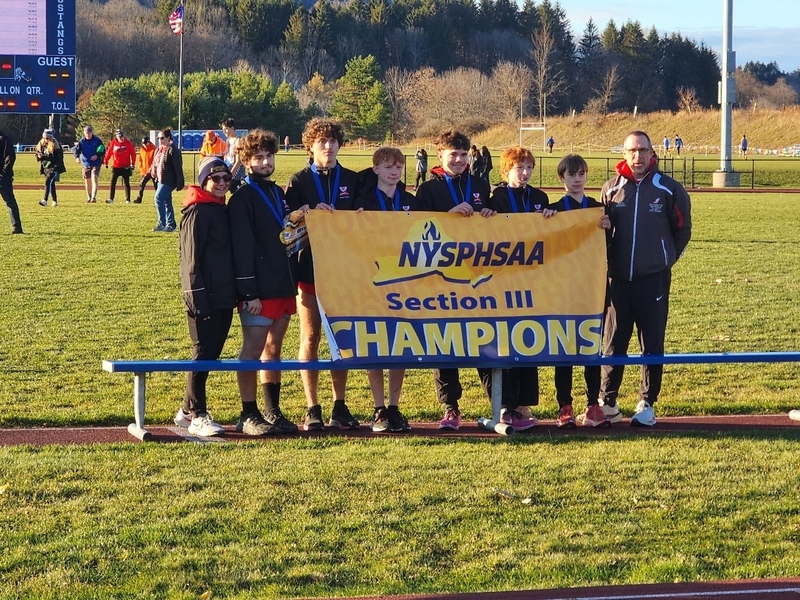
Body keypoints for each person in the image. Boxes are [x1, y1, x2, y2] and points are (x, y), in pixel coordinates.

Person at [598, 131, 692, 427]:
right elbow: (602, 233)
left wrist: (666, 259)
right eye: (632, 151)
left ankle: (647, 402)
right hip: (618, 279)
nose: (638, 156)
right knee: (613, 341)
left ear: (653, 153)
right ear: (623, 154)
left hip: (653, 280)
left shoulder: (668, 188)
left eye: (643, 150)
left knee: (651, 342)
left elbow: (682, 228)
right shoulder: (611, 188)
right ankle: (607, 401)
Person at [285, 118, 361, 431]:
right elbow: (287, 224)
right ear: (310, 147)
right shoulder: (299, 179)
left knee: (339, 339)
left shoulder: (354, 180)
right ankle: (311, 406)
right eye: (321, 143)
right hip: (310, 270)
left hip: (344, 272)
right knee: (311, 335)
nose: (328, 147)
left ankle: (339, 405)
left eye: (332, 142)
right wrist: (303, 212)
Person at [415, 129, 494, 429]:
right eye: (453, 155)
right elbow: (416, 231)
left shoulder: (479, 184)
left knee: (484, 338)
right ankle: (450, 407)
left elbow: (498, 225)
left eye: (463, 155)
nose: (459, 160)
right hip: (441, 277)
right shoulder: (428, 190)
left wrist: (489, 211)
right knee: (444, 342)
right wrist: (448, 215)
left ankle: (497, 403)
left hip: (478, 277)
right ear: (439, 156)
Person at [227, 129, 300, 436]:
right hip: (258, 289)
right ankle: (248, 413)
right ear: (246, 161)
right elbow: (241, 248)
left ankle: (272, 411)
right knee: (252, 350)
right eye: (258, 158)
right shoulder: (242, 197)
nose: (265, 162)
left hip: (283, 283)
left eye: (269, 156)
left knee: (274, 349)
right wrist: (248, 291)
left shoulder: (277, 193)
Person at [542, 153, 612, 428]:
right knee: (565, 349)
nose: (577, 179)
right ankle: (564, 406)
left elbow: (609, 246)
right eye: (572, 175)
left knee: (590, 346)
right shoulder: (554, 208)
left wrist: (608, 227)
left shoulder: (597, 208)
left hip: (592, 287)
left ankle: (592, 403)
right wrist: (545, 220)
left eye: (581, 174)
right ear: (562, 178)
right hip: (563, 288)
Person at [354, 146, 420, 433]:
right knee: (377, 342)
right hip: (372, 280)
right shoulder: (363, 200)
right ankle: (378, 407)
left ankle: (394, 407)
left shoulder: (409, 200)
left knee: (400, 344)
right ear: (376, 169)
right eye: (388, 166)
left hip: (404, 280)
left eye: (399, 167)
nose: (394, 172)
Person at [486, 145, 549, 431]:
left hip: (532, 282)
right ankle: (505, 404)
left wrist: (551, 217)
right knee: (504, 342)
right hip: (502, 282)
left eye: (528, 168)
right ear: (506, 170)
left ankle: (523, 404)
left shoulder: (539, 197)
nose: (524, 173)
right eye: (518, 168)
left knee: (528, 339)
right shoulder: (497, 198)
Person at [173, 157, 236, 437]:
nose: (222, 184)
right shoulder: (198, 211)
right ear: (204, 181)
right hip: (204, 296)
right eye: (215, 179)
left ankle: (186, 411)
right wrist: (197, 301)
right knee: (202, 353)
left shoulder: (220, 209)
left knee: (211, 354)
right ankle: (198, 414)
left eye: (226, 179)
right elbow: (190, 261)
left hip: (224, 294)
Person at [151, 127, 184, 232]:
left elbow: (178, 167)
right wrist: (152, 172)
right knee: (166, 201)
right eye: (158, 138)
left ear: (169, 138)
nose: (159, 140)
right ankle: (171, 225)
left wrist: (180, 181)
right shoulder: (159, 149)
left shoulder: (173, 150)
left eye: (162, 138)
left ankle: (162, 224)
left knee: (158, 198)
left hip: (169, 180)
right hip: (160, 180)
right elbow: (155, 164)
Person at [0, 129, 24, 234]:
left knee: (10, 202)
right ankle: (16, 227)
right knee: (10, 202)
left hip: (3, 177)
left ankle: (16, 227)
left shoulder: (5, 139)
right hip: (4, 176)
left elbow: (10, 158)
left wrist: (4, 172)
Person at [35, 128, 66, 208]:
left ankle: (45, 200)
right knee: (51, 184)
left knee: (47, 182)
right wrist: (38, 156)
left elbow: (59, 158)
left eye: (47, 138)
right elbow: (37, 155)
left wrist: (56, 167)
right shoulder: (41, 144)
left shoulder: (56, 145)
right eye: (44, 137)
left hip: (53, 167)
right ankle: (55, 201)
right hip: (46, 167)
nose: (46, 139)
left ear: (51, 137)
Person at [103, 129, 136, 204]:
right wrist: (106, 161)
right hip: (116, 166)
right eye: (119, 137)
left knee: (126, 183)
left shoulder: (128, 143)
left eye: (122, 136)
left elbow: (133, 154)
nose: (121, 138)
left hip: (125, 166)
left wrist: (133, 163)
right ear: (116, 137)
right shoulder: (113, 143)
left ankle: (128, 199)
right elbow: (109, 153)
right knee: (113, 182)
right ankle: (111, 198)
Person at [73, 125, 104, 203]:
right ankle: (89, 197)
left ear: (91, 133)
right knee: (87, 181)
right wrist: (77, 158)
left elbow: (102, 150)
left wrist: (97, 155)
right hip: (86, 164)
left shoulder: (97, 140)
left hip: (96, 163)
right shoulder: (81, 141)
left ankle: (93, 197)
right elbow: (77, 151)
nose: (88, 135)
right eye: (86, 133)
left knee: (94, 179)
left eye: (89, 133)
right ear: (84, 133)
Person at [221, 118, 244, 193]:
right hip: (228, 171)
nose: (224, 131)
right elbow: (227, 156)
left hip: (236, 176)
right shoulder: (228, 140)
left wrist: (230, 175)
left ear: (232, 128)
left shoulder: (238, 141)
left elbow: (238, 161)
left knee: (238, 196)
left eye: (226, 129)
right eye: (223, 129)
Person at [135, 137, 157, 204]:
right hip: (145, 171)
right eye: (143, 143)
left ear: (148, 142)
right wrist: (141, 169)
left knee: (156, 186)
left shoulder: (154, 149)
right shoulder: (142, 149)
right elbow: (140, 160)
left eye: (145, 143)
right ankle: (139, 199)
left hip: (153, 171)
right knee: (142, 184)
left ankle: (158, 199)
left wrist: (155, 170)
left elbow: (156, 161)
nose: (144, 144)